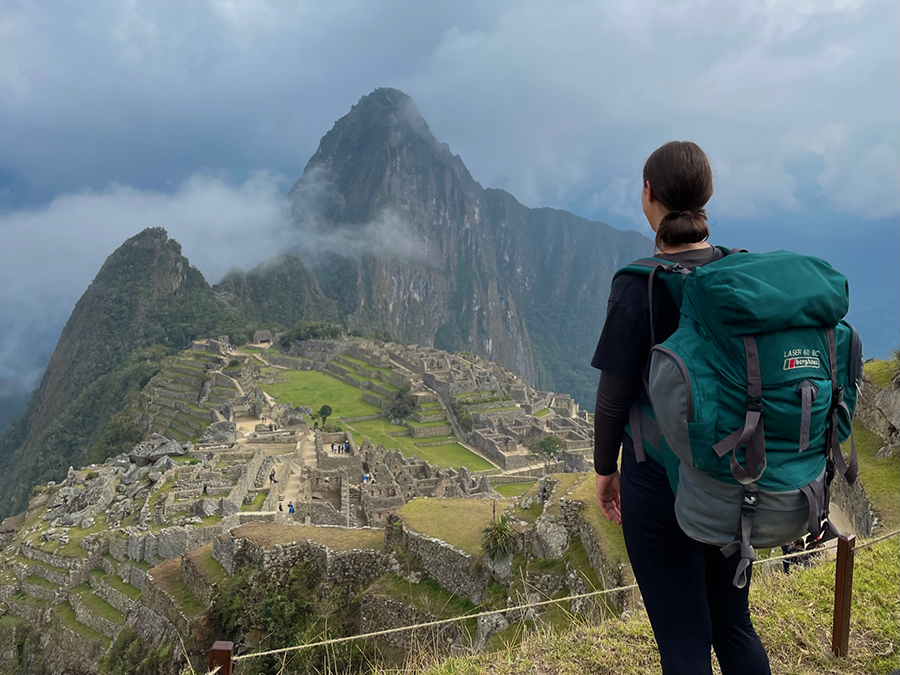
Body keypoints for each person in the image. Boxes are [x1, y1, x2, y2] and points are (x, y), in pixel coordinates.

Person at [592, 141, 771, 674]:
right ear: (706, 196)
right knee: (733, 626)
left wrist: (606, 471)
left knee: (684, 642)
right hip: (735, 476)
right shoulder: (735, 274)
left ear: (647, 194)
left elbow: (613, 397)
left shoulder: (638, 284)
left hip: (659, 482)